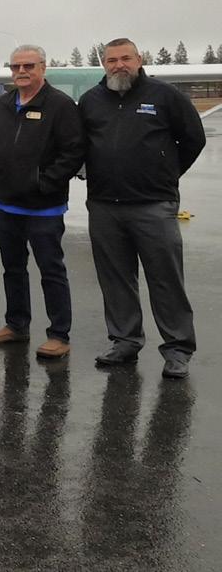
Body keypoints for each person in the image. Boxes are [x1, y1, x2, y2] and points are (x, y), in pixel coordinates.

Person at [79, 38, 206, 379]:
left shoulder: (165, 96)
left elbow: (193, 139)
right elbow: (80, 145)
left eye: (125, 58)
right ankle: (125, 341)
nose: (119, 65)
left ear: (139, 59)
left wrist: (166, 174)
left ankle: (178, 348)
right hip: (104, 205)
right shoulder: (90, 101)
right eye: (112, 60)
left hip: (154, 204)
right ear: (103, 64)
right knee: (115, 278)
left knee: (165, 279)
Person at [0, 45, 85, 358]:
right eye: (15, 67)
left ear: (43, 67)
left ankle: (59, 334)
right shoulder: (3, 104)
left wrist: (44, 183)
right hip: (6, 206)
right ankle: (16, 325)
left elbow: (73, 152)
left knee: (51, 270)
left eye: (28, 66)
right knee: (12, 268)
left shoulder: (60, 105)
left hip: (44, 207)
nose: (21, 72)